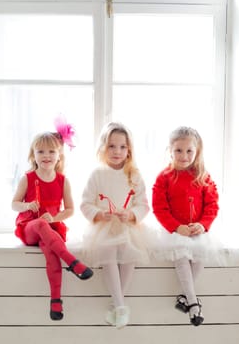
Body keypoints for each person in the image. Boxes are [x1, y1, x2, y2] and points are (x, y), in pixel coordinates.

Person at [12, 123, 93, 321]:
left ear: (59, 156)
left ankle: (55, 301)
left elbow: (70, 210)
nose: (46, 156)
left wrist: (54, 217)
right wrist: (27, 205)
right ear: (34, 155)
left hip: (52, 228)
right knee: (40, 224)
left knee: (50, 251)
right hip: (30, 227)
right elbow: (14, 204)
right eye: (41, 151)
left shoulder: (63, 181)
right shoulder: (28, 178)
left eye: (51, 151)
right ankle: (73, 263)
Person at [80, 122, 151, 329]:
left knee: (130, 252)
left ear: (129, 150)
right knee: (108, 249)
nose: (117, 151)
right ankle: (120, 305)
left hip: (128, 226)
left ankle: (118, 304)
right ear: (103, 147)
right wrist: (99, 214)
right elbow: (85, 203)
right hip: (104, 226)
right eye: (112, 146)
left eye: (122, 147)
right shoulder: (97, 174)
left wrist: (130, 214)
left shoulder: (134, 175)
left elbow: (144, 205)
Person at [152, 126, 221, 327]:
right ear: (170, 151)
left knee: (200, 253)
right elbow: (159, 207)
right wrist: (175, 227)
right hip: (175, 230)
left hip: (197, 228)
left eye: (189, 151)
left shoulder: (203, 176)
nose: (184, 156)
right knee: (181, 255)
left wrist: (203, 224)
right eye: (178, 151)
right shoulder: (164, 177)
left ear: (197, 151)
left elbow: (212, 204)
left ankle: (185, 297)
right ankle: (193, 303)